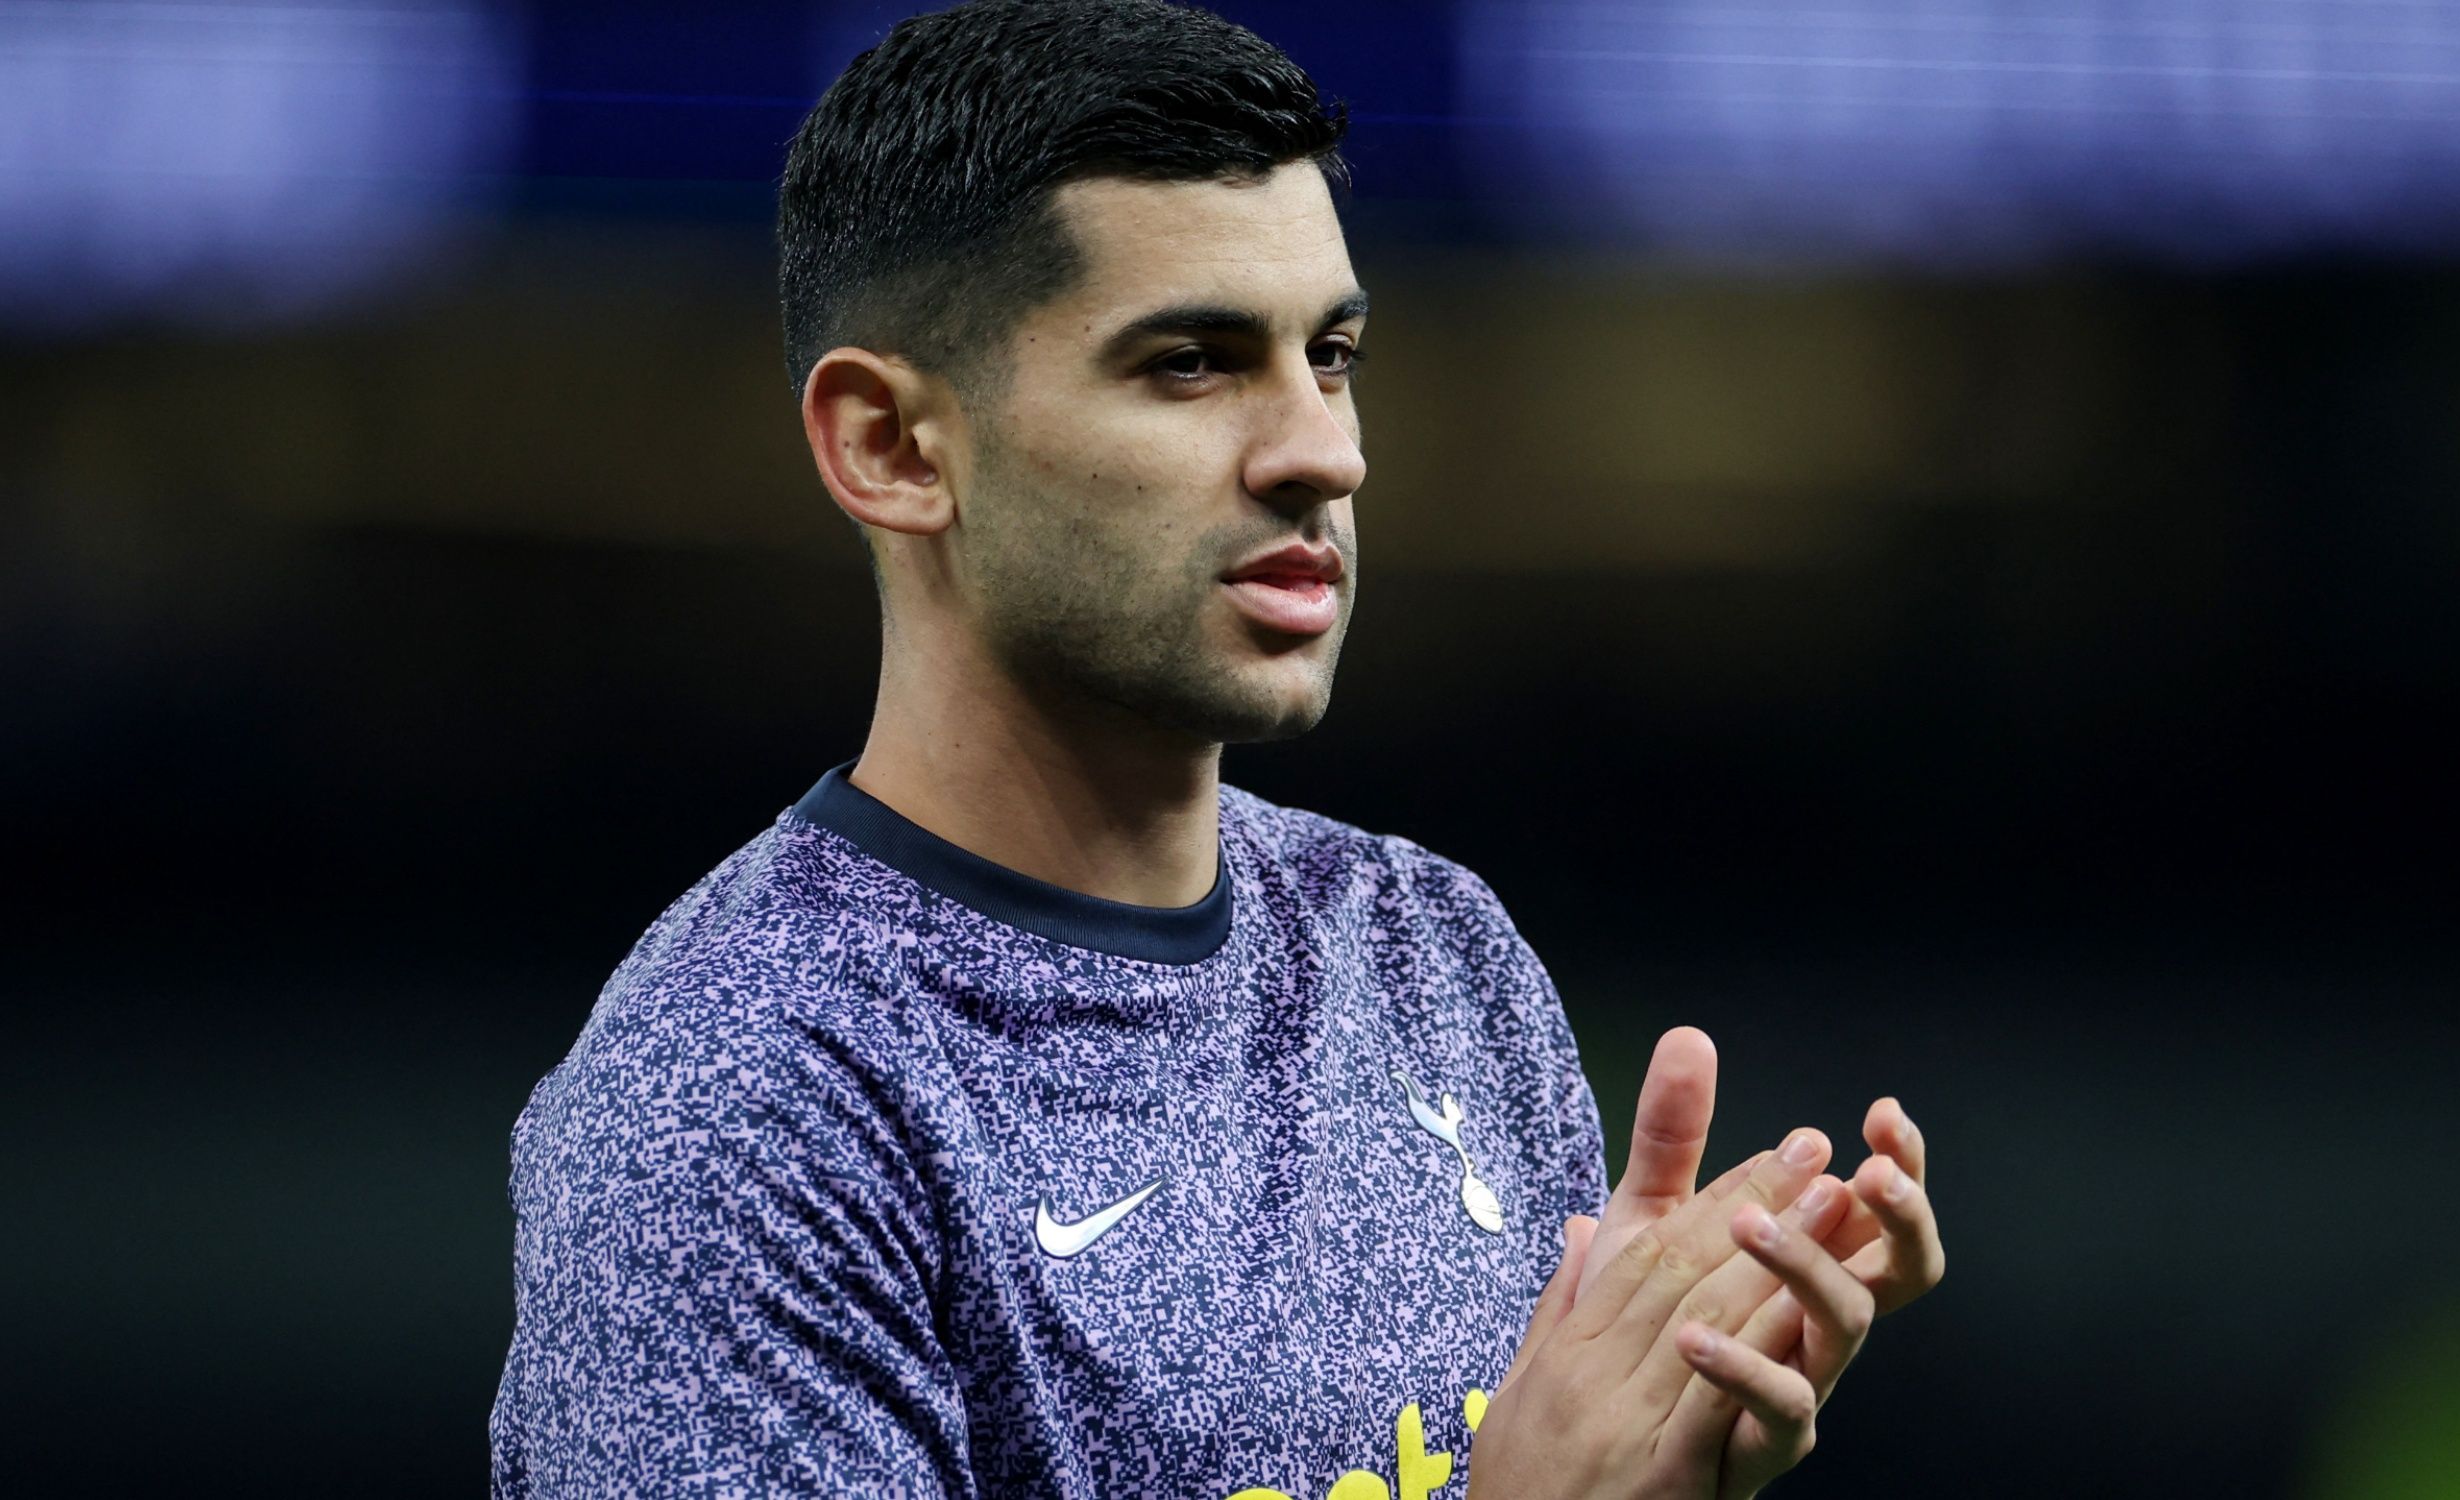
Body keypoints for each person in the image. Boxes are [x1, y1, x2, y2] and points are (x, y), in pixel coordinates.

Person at [487, 3, 1943, 1495]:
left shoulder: (1434, 953)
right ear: (893, 448)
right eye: (1191, 361)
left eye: (1333, 352)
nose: (1323, 448)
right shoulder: (742, 1103)